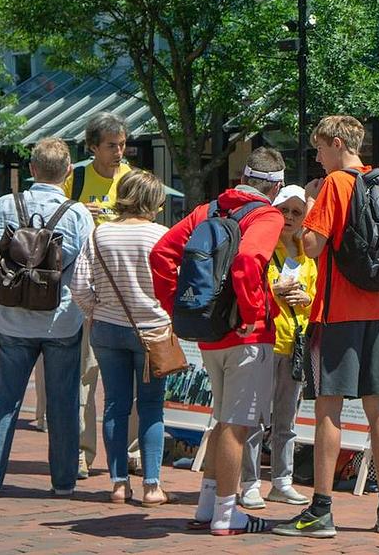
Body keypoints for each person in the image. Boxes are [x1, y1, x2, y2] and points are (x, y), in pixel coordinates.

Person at [273, 115, 379, 538]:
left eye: (319, 148)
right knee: (378, 408)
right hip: (376, 310)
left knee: (327, 408)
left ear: (336, 143)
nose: (318, 157)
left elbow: (312, 246)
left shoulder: (336, 184)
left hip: (336, 313)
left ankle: (321, 509)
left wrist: (311, 205)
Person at [151, 147, 285, 535]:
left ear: (243, 179)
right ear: (275, 188)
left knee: (223, 420)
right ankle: (227, 513)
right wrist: (253, 312)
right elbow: (248, 261)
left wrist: (179, 306)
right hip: (247, 334)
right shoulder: (267, 215)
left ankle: (208, 504)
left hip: (210, 332)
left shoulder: (207, 210)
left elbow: (161, 254)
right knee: (237, 426)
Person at [0, 137, 94, 499]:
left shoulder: (6, 204)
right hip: (61, 319)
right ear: (68, 172)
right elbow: (86, 273)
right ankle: (63, 481)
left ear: (32, 169)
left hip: (12, 319)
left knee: (5, 400)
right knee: (63, 401)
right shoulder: (77, 214)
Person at [70, 170, 173, 505]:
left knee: (115, 405)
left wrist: (95, 310)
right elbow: (175, 284)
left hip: (108, 327)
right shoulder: (162, 236)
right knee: (151, 406)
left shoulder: (100, 234)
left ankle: (118, 483)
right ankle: (152, 485)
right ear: (153, 200)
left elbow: (79, 286)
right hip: (152, 330)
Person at [63, 111, 136, 479]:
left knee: (134, 376)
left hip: (127, 290)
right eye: (111, 145)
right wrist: (78, 212)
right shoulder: (75, 180)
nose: (118, 152)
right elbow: (57, 225)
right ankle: (81, 451)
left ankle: (132, 450)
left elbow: (147, 222)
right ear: (92, 147)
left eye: (122, 144)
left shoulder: (132, 179)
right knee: (85, 375)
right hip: (89, 289)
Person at [240, 184, 316, 510]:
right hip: (265, 342)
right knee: (255, 418)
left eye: (296, 212)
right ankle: (249, 483)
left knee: (287, 419)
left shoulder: (307, 254)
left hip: (295, 344)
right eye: (284, 210)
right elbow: (248, 283)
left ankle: (282, 481)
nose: (289, 217)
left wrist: (306, 298)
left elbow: (315, 297)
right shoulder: (264, 245)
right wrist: (275, 290)